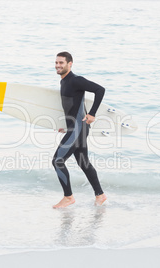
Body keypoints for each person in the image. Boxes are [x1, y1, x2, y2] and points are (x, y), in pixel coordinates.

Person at [52, 51, 107, 208]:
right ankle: (100, 195)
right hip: (76, 128)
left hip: (78, 129)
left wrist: (92, 114)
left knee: (57, 161)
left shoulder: (76, 80)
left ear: (70, 64)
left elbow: (100, 90)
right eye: (56, 63)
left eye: (61, 63)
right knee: (83, 162)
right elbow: (74, 106)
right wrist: (68, 125)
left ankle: (68, 197)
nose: (57, 65)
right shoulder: (64, 82)